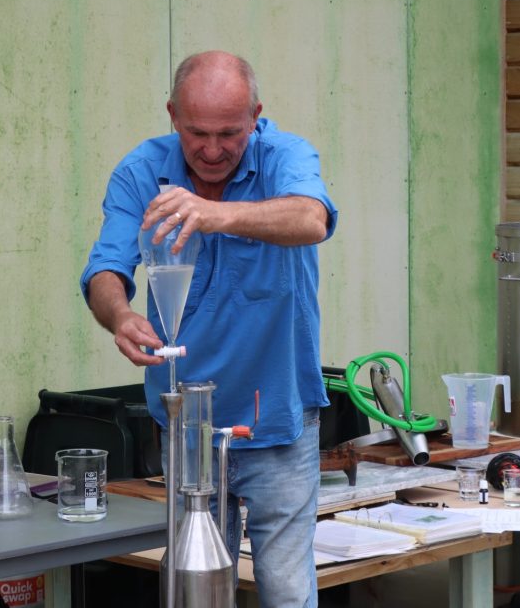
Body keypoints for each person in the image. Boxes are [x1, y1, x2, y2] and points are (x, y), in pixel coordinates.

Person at [80, 50, 336, 607]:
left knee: (288, 591)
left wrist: (215, 214)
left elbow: (311, 218)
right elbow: (105, 268)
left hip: (278, 424)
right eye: (197, 133)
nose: (213, 149)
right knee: (196, 590)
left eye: (230, 132)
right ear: (172, 115)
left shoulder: (285, 157)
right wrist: (120, 315)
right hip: (187, 426)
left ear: (256, 116)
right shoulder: (143, 171)